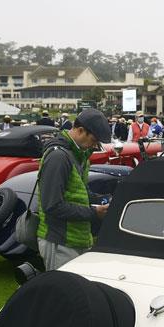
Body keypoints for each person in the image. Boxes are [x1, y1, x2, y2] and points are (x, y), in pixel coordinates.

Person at [37, 108, 111, 271]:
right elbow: (52, 205)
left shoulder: (79, 155)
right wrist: (94, 213)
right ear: (80, 130)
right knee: (62, 295)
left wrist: (105, 200)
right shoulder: (58, 157)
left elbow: (80, 194)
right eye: (94, 139)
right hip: (60, 241)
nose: (95, 145)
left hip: (76, 238)